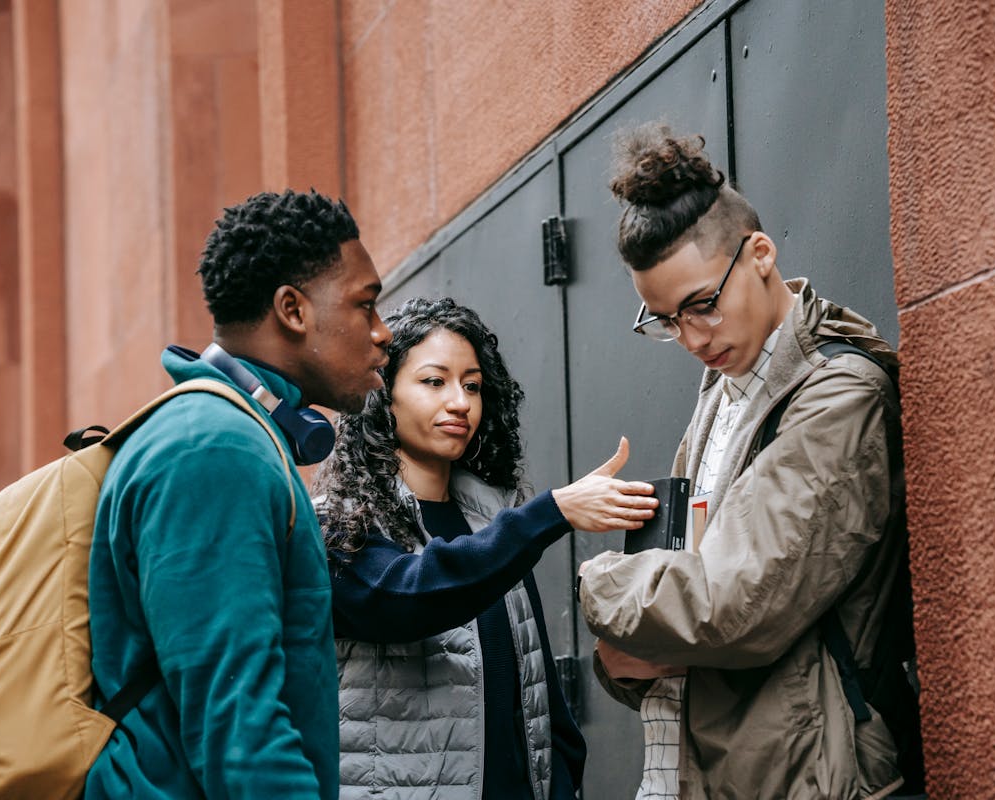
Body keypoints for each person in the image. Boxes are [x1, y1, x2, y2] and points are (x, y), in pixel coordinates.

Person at [576, 123, 917, 799]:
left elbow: (737, 604)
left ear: (759, 253)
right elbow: (691, 580)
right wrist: (627, 662)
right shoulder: (727, 389)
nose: (691, 337)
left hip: (806, 775)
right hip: (711, 766)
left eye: (701, 304)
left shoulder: (838, 396)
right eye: (666, 320)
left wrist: (600, 587)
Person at [85, 189, 391, 799]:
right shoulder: (214, 450)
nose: (383, 334)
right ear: (292, 310)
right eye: (366, 305)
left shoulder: (229, 437)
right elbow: (237, 728)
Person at [316, 296, 658, 799]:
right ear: (383, 394)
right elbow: (413, 595)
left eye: (472, 385)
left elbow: (542, 698)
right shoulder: (340, 524)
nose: (460, 402)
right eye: (434, 381)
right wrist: (551, 512)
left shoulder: (493, 523)